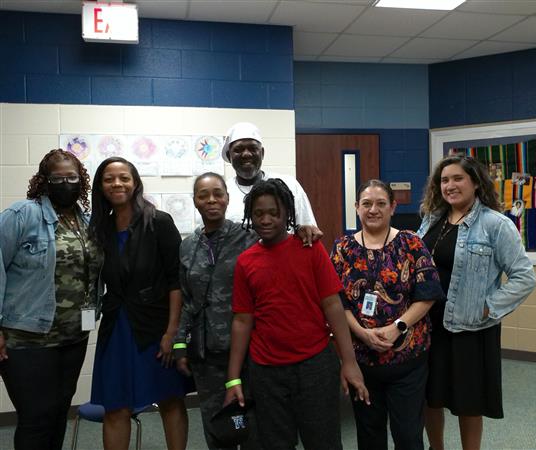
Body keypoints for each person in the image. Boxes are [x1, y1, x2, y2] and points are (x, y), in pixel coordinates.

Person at [224, 178, 370, 450]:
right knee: (276, 443)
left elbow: (333, 306)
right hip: (266, 371)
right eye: (258, 214)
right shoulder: (246, 261)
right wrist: (233, 378)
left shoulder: (311, 249)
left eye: (274, 213)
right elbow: (243, 320)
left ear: (288, 214)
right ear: (249, 216)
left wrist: (348, 361)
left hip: (315, 366)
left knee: (323, 442)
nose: (266, 220)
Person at [417, 155, 536, 450]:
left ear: (475, 183)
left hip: (470, 328)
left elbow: (525, 277)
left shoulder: (495, 224)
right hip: (428, 326)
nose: (450, 185)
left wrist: (488, 306)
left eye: (458, 179)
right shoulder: (432, 219)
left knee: (469, 402)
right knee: (430, 396)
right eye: (444, 180)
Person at [331, 179, 445, 450]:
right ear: (357, 207)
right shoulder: (342, 249)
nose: (373, 210)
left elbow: (427, 294)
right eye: (367, 204)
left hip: (408, 361)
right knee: (369, 437)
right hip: (362, 362)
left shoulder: (411, 243)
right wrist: (361, 333)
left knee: (408, 436)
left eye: (381, 203)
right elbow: (336, 303)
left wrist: (399, 326)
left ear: (393, 207)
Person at [0, 149, 101, 450]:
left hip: (73, 337)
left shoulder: (88, 222)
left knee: (58, 415)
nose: (65, 183)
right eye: (57, 178)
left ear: (81, 181)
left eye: (72, 177)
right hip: (27, 338)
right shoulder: (21, 215)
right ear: (44, 181)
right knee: (36, 418)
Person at [89, 157, 189, 450]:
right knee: (115, 405)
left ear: (135, 183)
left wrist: (172, 333)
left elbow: (176, 281)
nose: (117, 184)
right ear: (101, 186)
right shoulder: (101, 228)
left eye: (124, 178)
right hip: (116, 327)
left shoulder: (158, 222)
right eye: (109, 179)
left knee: (169, 399)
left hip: (156, 327)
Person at [173, 172, 260, 450]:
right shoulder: (188, 247)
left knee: (251, 428)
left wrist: (306, 227)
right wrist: (179, 343)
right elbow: (188, 299)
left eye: (217, 194)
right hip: (205, 353)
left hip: (247, 351)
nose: (211, 200)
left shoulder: (249, 239)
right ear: (195, 202)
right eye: (203, 195)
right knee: (217, 429)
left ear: (227, 198)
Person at [221, 122, 317, 228]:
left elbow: (307, 228)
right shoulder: (221, 192)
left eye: (253, 148)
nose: (246, 154)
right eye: (238, 150)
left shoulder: (289, 185)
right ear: (229, 156)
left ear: (262, 153)